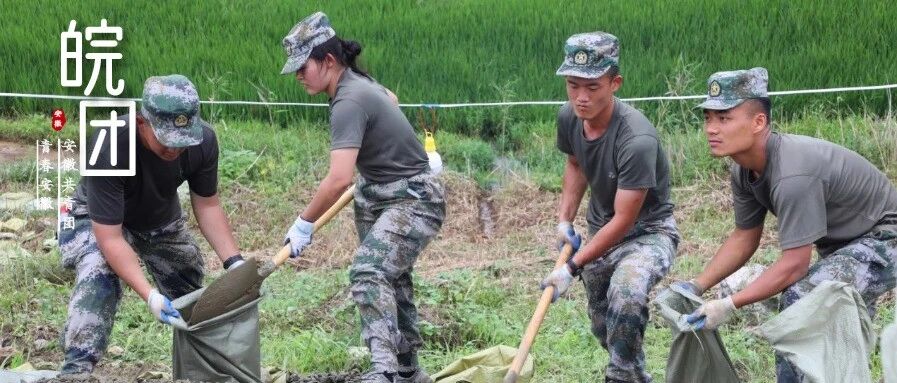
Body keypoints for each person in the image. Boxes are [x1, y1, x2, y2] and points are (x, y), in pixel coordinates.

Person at [668, 67, 897, 382]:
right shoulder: (743, 170)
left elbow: (794, 266)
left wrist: (728, 304)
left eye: (724, 119)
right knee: (836, 337)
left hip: (885, 240)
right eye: (707, 118)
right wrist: (695, 285)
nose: (711, 128)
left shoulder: (793, 174)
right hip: (844, 246)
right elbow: (744, 237)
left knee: (801, 301)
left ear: (759, 122)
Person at [279, 12, 445, 383]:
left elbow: (339, 178)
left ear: (329, 61)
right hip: (379, 192)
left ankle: (383, 372)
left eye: (303, 67)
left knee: (369, 271)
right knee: (392, 277)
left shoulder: (348, 101)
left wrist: (303, 223)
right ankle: (407, 370)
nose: (298, 76)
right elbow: (391, 98)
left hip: (413, 198)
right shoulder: (357, 83)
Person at [58, 74, 245, 375]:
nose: (175, 150)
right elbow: (111, 238)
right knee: (99, 269)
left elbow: (207, 204)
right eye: (166, 141)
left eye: (182, 142)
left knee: (189, 280)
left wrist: (234, 263)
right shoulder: (110, 141)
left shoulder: (203, 141)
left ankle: (201, 372)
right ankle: (76, 370)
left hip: (157, 217)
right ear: (142, 123)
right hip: (91, 217)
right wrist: (150, 296)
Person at [538, 32, 679, 383]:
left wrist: (571, 267)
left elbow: (625, 218)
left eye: (593, 87)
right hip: (603, 229)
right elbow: (575, 163)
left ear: (615, 83)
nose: (581, 98)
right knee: (605, 324)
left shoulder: (637, 139)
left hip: (647, 233)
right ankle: (632, 374)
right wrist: (564, 221)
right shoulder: (569, 118)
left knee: (627, 294)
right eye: (573, 86)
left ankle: (620, 377)